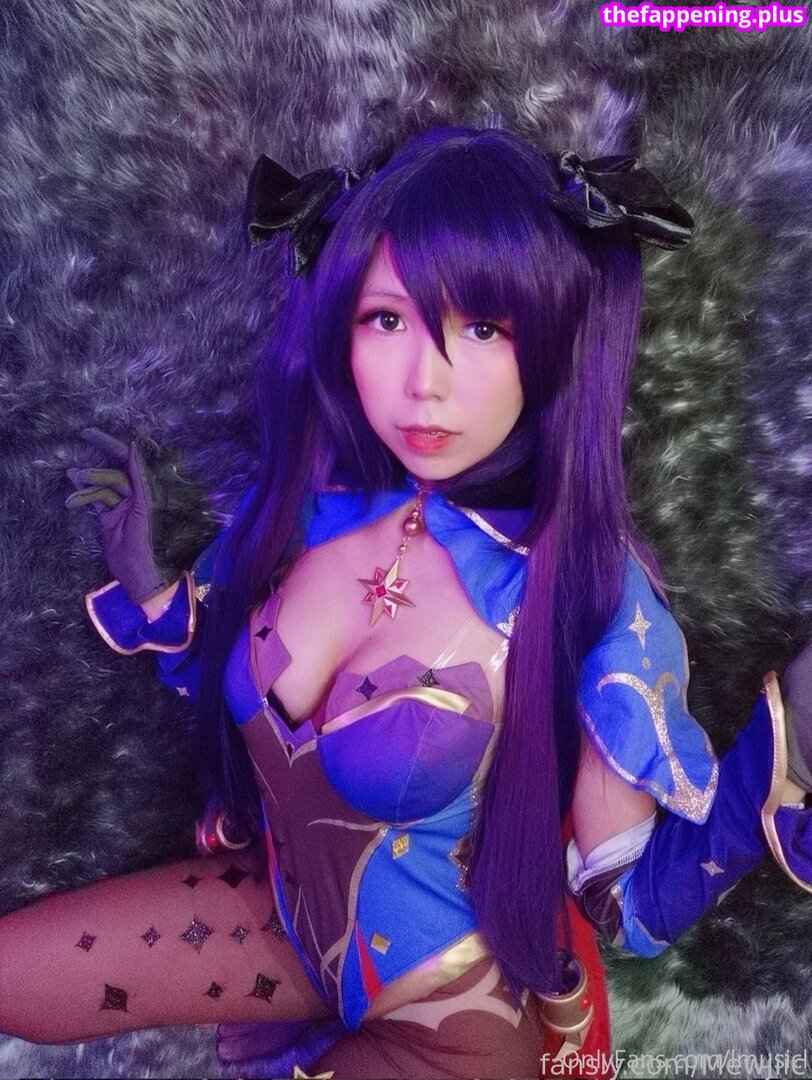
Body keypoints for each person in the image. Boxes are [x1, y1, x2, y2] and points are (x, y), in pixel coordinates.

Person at [2, 125, 810, 1080]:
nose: (426, 383)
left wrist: (775, 755)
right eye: (387, 320)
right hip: (287, 925)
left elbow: (625, 908)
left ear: (551, 342)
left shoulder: (584, 588)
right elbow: (224, 674)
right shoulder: (310, 515)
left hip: (455, 1023)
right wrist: (147, 585)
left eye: (483, 329)